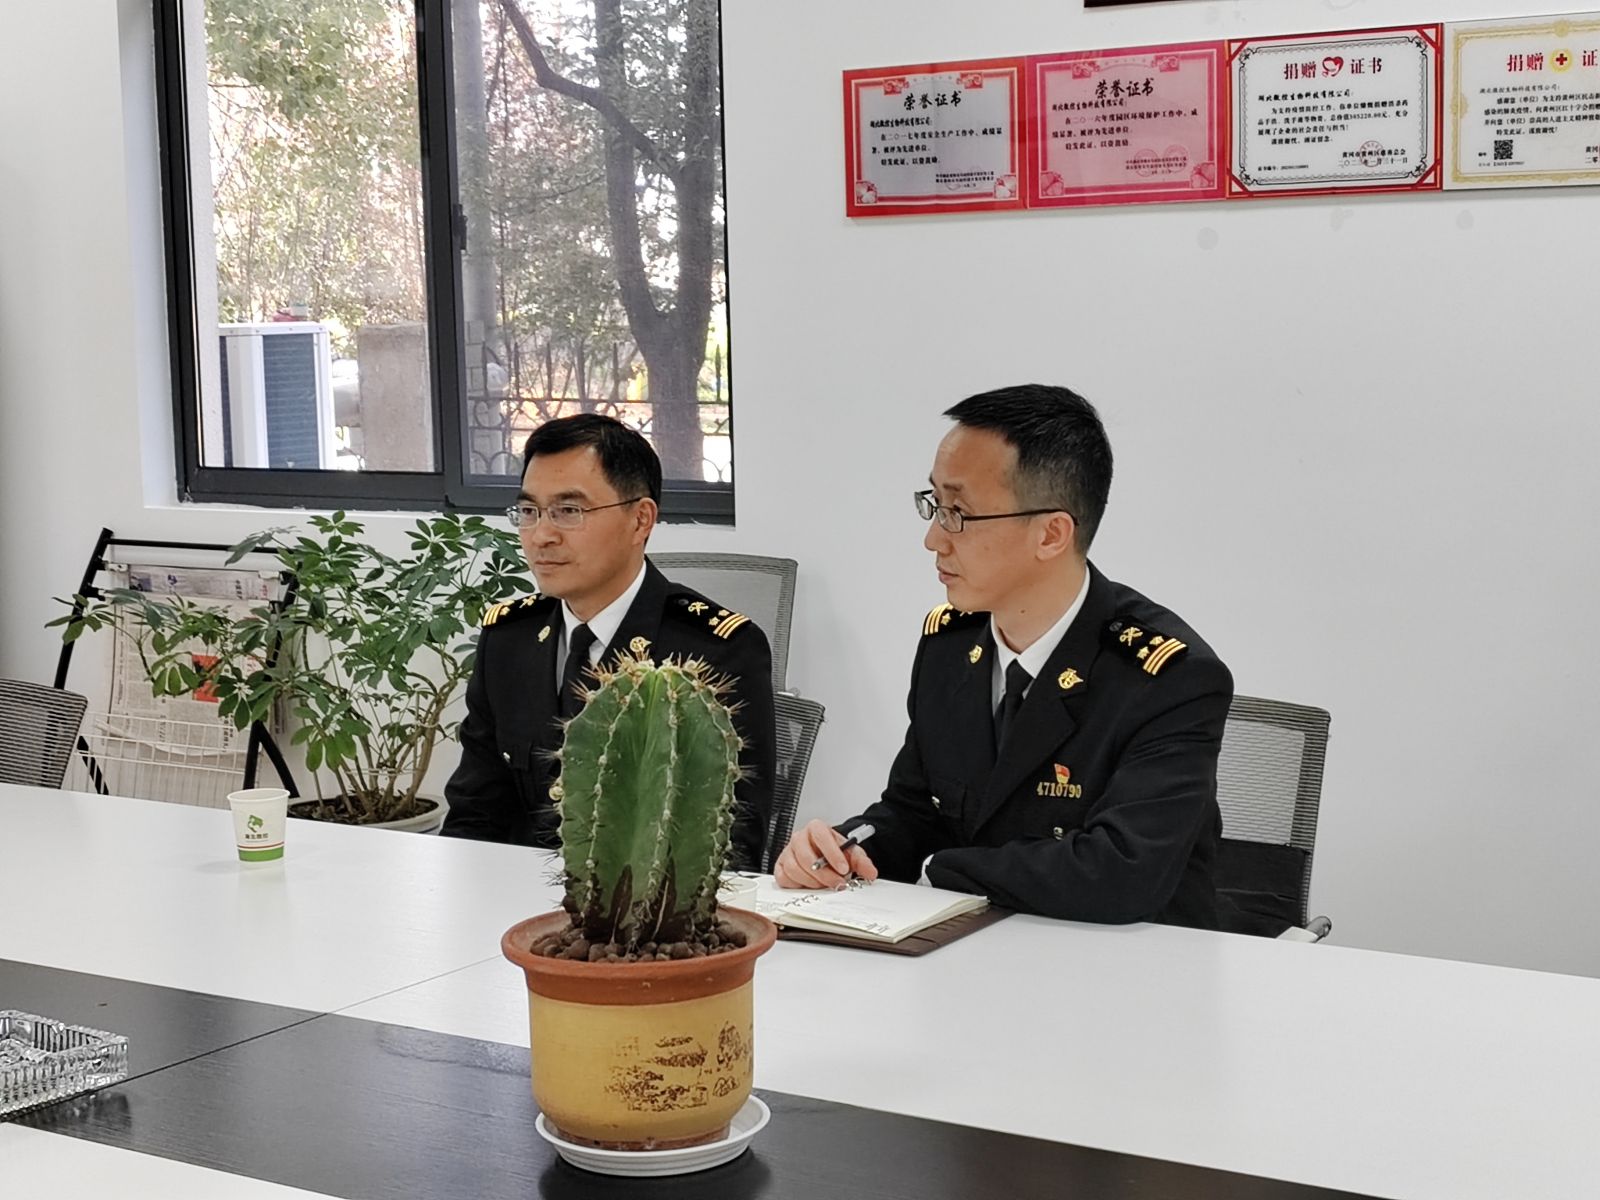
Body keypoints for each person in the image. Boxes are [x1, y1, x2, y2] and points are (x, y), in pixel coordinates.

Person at [773, 384, 1232, 928]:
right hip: (980, 950)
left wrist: (937, 869)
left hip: (1135, 962)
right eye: (934, 505)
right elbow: (914, 811)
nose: (933, 539)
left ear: (1051, 535)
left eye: (958, 513)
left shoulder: (1168, 678)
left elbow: (1120, 873)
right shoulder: (949, 646)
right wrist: (846, 849)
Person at [441, 414, 776, 870]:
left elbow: (732, 843)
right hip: (515, 899)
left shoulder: (714, 651)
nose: (541, 536)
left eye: (569, 511)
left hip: (649, 908)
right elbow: (473, 817)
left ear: (640, 520)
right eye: (529, 512)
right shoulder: (509, 640)